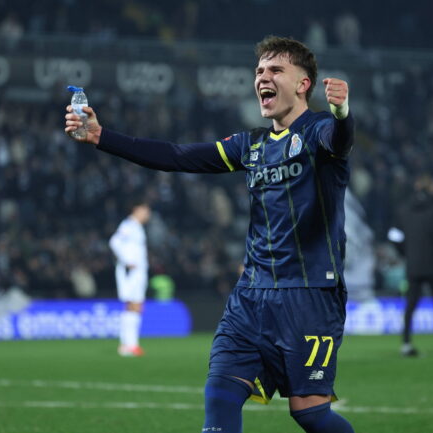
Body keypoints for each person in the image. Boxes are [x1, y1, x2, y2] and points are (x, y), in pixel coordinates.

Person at [65, 36, 355, 433]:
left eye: (275, 70)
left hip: (308, 296)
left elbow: (340, 141)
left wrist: (341, 113)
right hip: (250, 297)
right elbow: (177, 156)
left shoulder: (319, 130)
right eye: (259, 71)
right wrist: (102, 136)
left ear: (303, 84)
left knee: (309, 413)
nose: (263, 78)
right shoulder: (249, 145)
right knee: (219, 393)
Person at [389, 175, 433, 357]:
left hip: (414, 264)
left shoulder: (404, 209)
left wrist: (406, 252)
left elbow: (394, 235)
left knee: (410, 305)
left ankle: (406, 343)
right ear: (431, 188)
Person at [109, 200, 151, 357]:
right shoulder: (129, 225)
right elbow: (114, 241)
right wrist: (127, 261)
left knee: (134, 306)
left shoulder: (136, 227)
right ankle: (130, 344)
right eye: (145, 210)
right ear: (137, 209)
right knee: (134, 305)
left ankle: (128, 345)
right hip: (131, 272)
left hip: (138, 271)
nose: (148, 214)